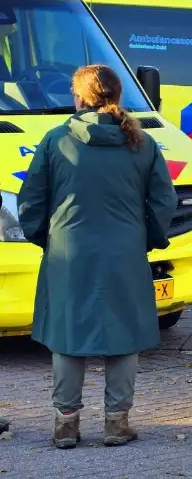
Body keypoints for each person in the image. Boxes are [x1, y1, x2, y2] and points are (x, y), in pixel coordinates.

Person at [17, 65, 177, 449]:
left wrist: (45, 239)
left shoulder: (56, 141)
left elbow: (31, 200)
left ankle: (65, 424)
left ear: (79, 98)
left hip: (68, 253)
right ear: (117, 96)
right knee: (124, 335)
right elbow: (163, 202)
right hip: (124, 251)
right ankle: (116, 423)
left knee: (67, 336)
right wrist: (149, 239)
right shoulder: (143, 143)